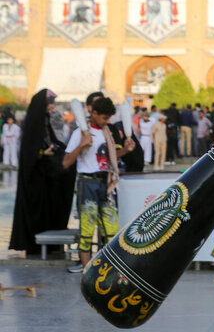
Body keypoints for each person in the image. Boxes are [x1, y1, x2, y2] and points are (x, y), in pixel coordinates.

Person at [63, 97, 135, 272]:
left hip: (106, 184)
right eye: (104, 118)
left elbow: (109, 158)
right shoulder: (80, 133)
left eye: (109, 118)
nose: (107, 121)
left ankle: (108, 268)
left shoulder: (106, 132)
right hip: (87, 184)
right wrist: (81, 144)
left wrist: (125, 150)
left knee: (111, 230)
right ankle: (87, 270)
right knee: (87, 231)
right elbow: (65, 162)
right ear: (93, 113)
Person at [10, 89, 77, 256]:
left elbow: (55, 141)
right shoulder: (34, 123)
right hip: (35, 180)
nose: (52, 107)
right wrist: (42, 153)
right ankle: (35, 246)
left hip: (47, 176)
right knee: (38, 212)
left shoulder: (45, 122)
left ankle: (53, 243)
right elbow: (29, 152)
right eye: (50, 104)